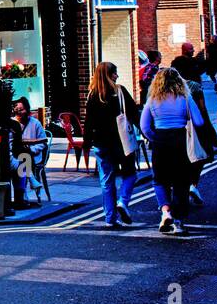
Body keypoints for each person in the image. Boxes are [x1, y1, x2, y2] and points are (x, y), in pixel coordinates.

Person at [140, 69, 205, 235]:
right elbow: (198, 121)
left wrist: (155, 138)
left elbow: (145, 127)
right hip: (179, 140)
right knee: (181, 182)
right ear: (179, 81)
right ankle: (178, 222)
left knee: (160, 179)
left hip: (160, 141)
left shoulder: (152, 99)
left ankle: (166, 212)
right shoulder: (185, 97)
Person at [82, 61, 140, 227]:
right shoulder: (119, 91)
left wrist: (87, 143)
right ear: (109, 75)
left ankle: (110, 219)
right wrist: (145, 132)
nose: (117, 76)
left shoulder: (92, 95)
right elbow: (134, 114)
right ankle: (123, 201)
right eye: (115, 73)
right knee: (130, 174)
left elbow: (89, 123)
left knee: (107, 181)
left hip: (101, 143)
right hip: (122, 143)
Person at [185, 78, 217, 205]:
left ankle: (184, 191)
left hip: (178, 130)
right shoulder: (195, 86)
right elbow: (202, 108)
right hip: (197, 129)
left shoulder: (172, 88)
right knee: (200, 158)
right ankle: (193, 185)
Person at [10, 97, 49, 204]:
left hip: (33, 155)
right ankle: (29, 182)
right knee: (21, 159)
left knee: (23, 157)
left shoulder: (35, 123)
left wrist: (32, 149)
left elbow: (43, 143)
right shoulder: (11, 123)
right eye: (17, 110)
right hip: (17, 155)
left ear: (27, 110)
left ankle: (22, 193)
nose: (19, 112)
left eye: (21, 110)